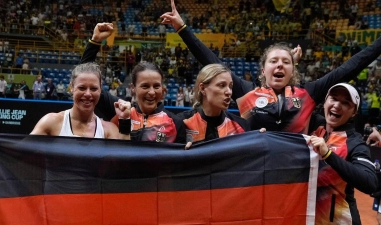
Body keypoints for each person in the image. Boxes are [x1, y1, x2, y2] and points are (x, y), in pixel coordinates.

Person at [160, 0, 381, 134]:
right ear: (263, 69)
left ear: (293, 69)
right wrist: (183, 29)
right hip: (256, 174)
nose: (279, 65)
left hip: (294, 180)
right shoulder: (248, 92)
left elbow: (350, 67)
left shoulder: (308, 93)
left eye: (285, 62)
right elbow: (213, 63)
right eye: (273, 61)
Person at [80, 23, 187, 144]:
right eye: (145, 86)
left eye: (156, 86)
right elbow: (83, 77)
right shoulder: (119, 111)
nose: (151, 92)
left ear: (163, 90)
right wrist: (95, 41)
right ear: (133, 88)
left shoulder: (176, 123)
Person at [309, 83, 377, 225]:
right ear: (325, 101)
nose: (337, 105)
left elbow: (370, 182)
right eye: (333, 98)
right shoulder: (314, 128)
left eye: (346, 103)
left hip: (340, 220)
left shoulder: (354, 142)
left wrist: (328, 155)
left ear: (354, 112)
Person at [31, 63, 131, 139]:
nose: (88, 94)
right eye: (82, 88)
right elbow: (23, 157)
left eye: (93, 89)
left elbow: (123, 162)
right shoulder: (51, 122)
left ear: (101, 90)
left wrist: (125, 120)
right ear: (71, 88)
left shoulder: (108, 130)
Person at [178, 64, 250, 144]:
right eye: (222, 85)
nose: (229, 92)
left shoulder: (241, 125)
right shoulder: (182, 122)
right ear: (202, 88)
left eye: (230, 86)